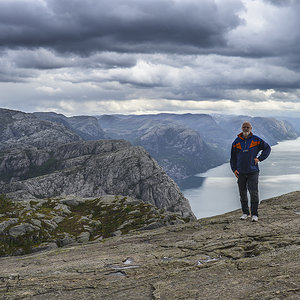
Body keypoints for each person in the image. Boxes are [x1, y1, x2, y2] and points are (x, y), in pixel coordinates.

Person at [230, 121, 271, 222]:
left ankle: (254, 214)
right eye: (244, 127)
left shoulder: (256, 140)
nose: (246, 129)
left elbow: (267, 148)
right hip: (241, 172)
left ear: (251, 128)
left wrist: (259, 159)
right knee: (242, 193)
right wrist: (234, 169)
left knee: (254, 193)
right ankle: (245, 213)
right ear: (241, 128)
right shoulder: (236, 142)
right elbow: (233, 158)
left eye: (248, 127)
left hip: (253, 171)